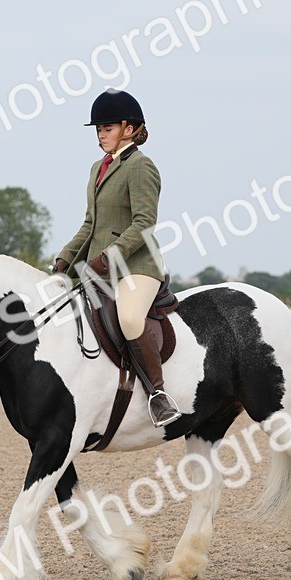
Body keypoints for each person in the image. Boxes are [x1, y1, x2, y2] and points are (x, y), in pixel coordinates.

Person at [52, 89, 181, 426]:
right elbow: (90, 224)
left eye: (107, 128)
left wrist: (109, 258)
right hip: (97, 268)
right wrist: (65, 259)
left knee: (128, 318)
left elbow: (144, 223)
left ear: (129, 128)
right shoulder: (98, 168)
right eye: (97, 130)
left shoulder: (141, 166)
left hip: (137, 266)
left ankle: (158, 394)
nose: (100, 136)